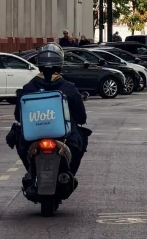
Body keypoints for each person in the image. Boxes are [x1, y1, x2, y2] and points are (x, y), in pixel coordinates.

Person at [8, 43, 89, 177]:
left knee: (17, 139)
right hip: (65, 139)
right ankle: (69, 175)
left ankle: (31, 173)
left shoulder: (28, 88)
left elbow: (18, 116)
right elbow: (81, 118)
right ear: (60, 63)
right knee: (81, 140)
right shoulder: (69, 88)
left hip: (32, 139)